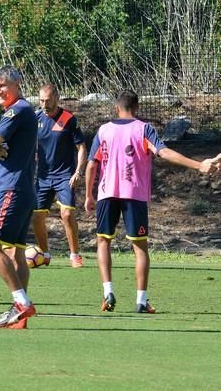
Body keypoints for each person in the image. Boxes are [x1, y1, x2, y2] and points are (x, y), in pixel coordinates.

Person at [85, 90, 219, 313]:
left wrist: (89, 195)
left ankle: (108, 291)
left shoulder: (103, 130)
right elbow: (164, 153)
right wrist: (199, 165)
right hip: (134, 195)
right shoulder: (143, 129)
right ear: (136, 108)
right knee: (140, 248)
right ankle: (141, 300)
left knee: (103, 242)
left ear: (116, 108)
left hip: (106, 194)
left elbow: (92, 164)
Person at [0, 65, 37, 329]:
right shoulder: (19, 111)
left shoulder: (18, 110)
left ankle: (22, 303)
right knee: (16, 253)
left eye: (3, 85)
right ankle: (19, 315)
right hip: (24, 190)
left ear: (17, 84)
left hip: (12, 190)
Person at [31, 84, 87, 268]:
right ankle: (45, 254)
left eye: (47, 101)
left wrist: (79, 171)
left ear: (56, 98)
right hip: (43, 177)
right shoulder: (36, 118)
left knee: (67, 214)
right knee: (37, 217)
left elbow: (81, 148)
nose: (44, 104)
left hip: (65, 176)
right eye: (41, 101)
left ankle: (74, 255)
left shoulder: (68, 119)